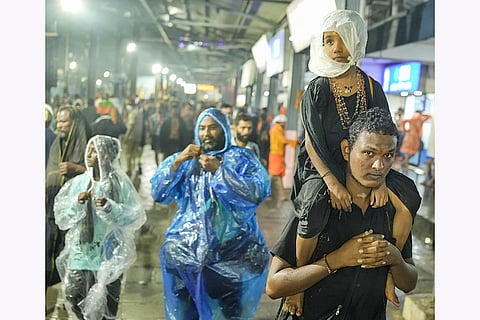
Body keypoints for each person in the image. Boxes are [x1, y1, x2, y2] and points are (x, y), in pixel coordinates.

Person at [285, 9, 421, 316]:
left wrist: (382, 180)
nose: (335, 49)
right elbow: (313, 141)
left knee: (409, 194)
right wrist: (332, 182)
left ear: (357, 41)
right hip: (322, 165)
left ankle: (389, 273)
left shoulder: (372, 87)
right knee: (314, 203)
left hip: (365, 166)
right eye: (328, 41)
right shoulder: (317, 88)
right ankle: (299, 283)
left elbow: (385, 134)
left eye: (342, 40)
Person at [266, 107, 419, 320]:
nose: (379, 165)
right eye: (369, 153)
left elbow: (410, 283)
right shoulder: (318, 204)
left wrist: (394, 258)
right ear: (347, 150)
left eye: (388, 155)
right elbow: (274, 286)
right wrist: (336, 260)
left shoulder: (392, 211)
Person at [150, 107, 271, 320]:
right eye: (203, 128)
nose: (206, 133)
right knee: (185, 311)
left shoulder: (242, 158)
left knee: (225, 312)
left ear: (224, 129)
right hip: (186, 254)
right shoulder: (185, 161)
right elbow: (159, 194)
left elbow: (255, 193)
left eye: (213, 128)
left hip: (231, 252)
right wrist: (178, 162)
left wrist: (220, 172)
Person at [54, 135, 146, 320]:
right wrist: (77, 203)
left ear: (107, 156)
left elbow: (136, 216)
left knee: (106, 311)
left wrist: (110, 207)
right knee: (75, 300)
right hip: (80, 258)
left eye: (95, 150)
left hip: (108, 260)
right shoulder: (80, 183)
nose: (89, 154)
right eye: (89, 148)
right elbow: (62, 216)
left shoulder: (119, 184)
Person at [46, 105, 93, 290]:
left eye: (64, 121)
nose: (59, 125)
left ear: (75, 123)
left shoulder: (88, 145)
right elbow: (50, 171)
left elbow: (100, 173)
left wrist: (76, 168)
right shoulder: (56, 144)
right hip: (53, 208)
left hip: (78, 213)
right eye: (58, 121)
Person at [268, 114, 298, 202]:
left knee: (276, 175)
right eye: (284, 123)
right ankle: (270, 192)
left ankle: (280, 195)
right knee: (274, 174)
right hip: (276, 155)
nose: (285, 125)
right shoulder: (276, 130)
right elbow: (282, 140)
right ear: (280, 122)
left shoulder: (278, 129)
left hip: (277, 155)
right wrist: (294, 142)